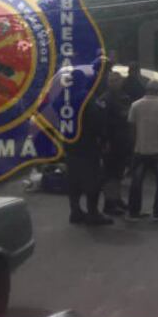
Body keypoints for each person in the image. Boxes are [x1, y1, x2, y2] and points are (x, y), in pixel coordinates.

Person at [66, 69, 112, 226]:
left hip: (69, 145)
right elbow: (97, 120)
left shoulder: (64, 97)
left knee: (73, 180)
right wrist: (104, 138)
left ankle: (75, 211)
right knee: (93, 179)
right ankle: (93, 213)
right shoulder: (87, 97)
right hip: (87, 145)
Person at [127, 80, 158, 221]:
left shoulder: (135, 105)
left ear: (146, 90)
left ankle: (134, 213)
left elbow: (132, 128)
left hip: (140, 150)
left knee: (136, 182)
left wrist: (135, 144)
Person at [101, 73, 133, 216]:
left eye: (116, 80)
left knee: (119, 174)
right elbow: (102, 124)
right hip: (111, 143)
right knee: (110, 175)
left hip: (122, 141)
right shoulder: (105, 99)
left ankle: (117, 199)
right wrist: (105, 141)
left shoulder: (124, 97)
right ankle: (109, 204)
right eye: (111, 81)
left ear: (121, 82)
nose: (113, 83)